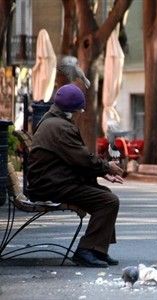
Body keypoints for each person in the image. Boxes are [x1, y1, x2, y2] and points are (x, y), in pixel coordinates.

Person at [27, 83, 124, 268]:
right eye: (80, 110)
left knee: (103, 193)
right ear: (74, 110)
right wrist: (107, 167)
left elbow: (74, 159)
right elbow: (82, 159)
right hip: (50, 185)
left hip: (50, 181)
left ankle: (98, 249)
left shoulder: (51, 120)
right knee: (108, 201)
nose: (80, 114)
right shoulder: (61, 127)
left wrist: (102, 173)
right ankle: (86, 251)